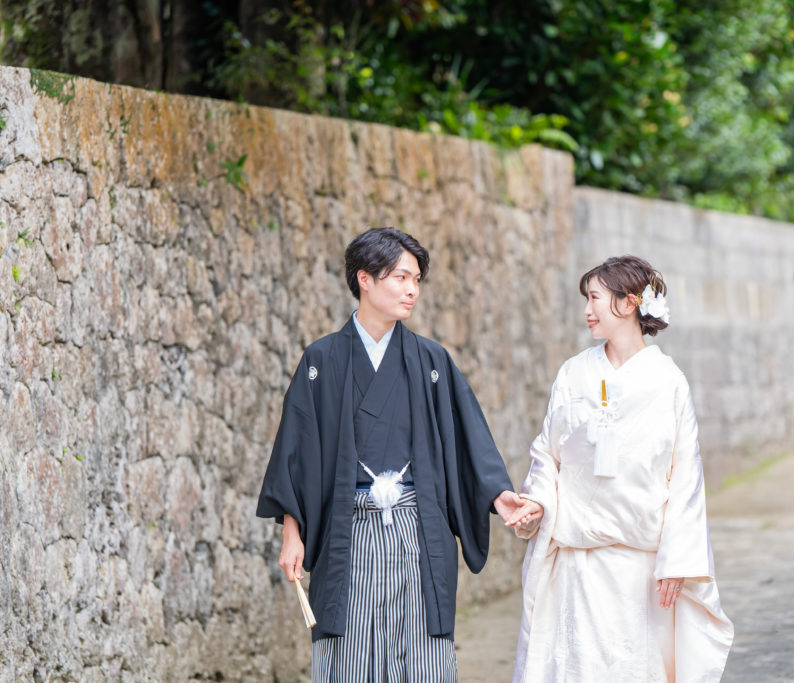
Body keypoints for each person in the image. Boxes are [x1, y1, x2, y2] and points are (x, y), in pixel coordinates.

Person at [255, 227, 526, 682]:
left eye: (416, 280)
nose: (411, 289)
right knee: (351, 651)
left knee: (421, 651)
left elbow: (468, 440)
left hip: (418, 527)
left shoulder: (431, 361)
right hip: (349, 529)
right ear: (365, 279)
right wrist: (291, 533)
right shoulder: (321, 360)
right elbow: (297, 453)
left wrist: (498, 495)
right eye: (401, 277)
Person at [506, 255, 734, 682]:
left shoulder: (668, 381)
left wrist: (677, 559)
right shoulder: (574, 373)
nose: (587, 310)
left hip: (639, 570)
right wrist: (537, 501)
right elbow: (547, 453)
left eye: (595, 298)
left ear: (629, 303)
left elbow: (686, 473)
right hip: (575, 563)